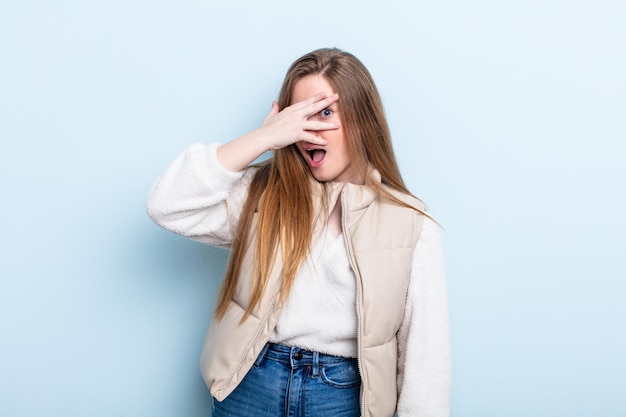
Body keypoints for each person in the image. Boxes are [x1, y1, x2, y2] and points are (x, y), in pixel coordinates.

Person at [146, 47, 450, 417]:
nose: (308, 130)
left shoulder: (412, 224)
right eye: (297, 115)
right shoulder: (262, 196)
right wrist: (262, 138)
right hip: (250, 384)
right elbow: (167, 205)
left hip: (341, 396)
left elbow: (426, 359)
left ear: (362, 118)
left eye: (324, 112)